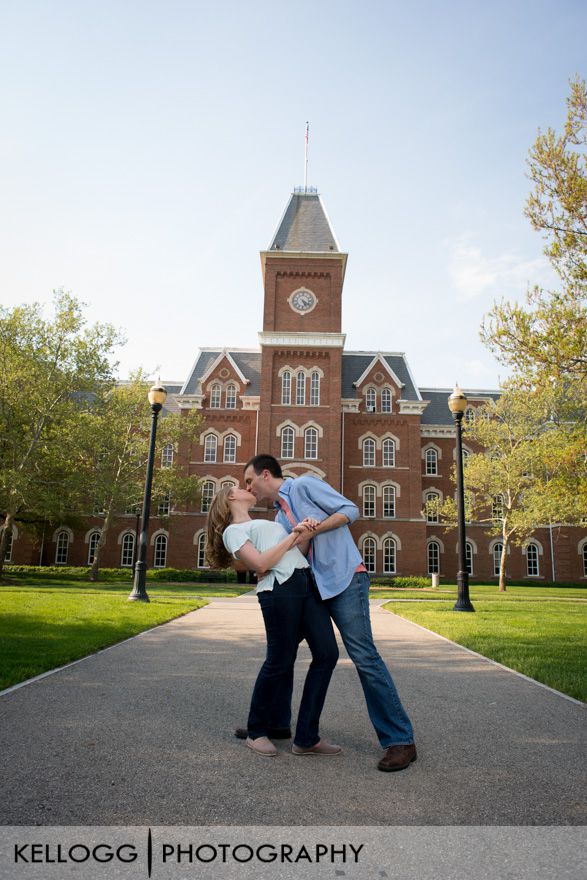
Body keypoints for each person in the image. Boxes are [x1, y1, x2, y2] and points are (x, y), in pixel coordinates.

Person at [239, 454, 417, 773]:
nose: (247, 487)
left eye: (249, 480)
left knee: (364, 656)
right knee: (284, 651)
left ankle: (400, 740)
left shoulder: (305, 485)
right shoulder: (280, 519)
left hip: (346, 578)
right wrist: (267, 567)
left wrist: (314, 529)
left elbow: (350, 510)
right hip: (312, 587)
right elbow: (293, 553)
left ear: (266, 475)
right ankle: (271, 723)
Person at [205, 484, 341, 758]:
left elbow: (295, 555)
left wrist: (306, 532)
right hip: (279, 590)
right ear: (231, 497)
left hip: (305, 583)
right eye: (239, 487)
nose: (247, 487)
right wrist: (292, 536)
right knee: (279, 659)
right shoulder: (234, 532)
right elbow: (261, 564)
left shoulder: (263, 523)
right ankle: (256, 731)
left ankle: (306, 737)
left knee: (327, 652)